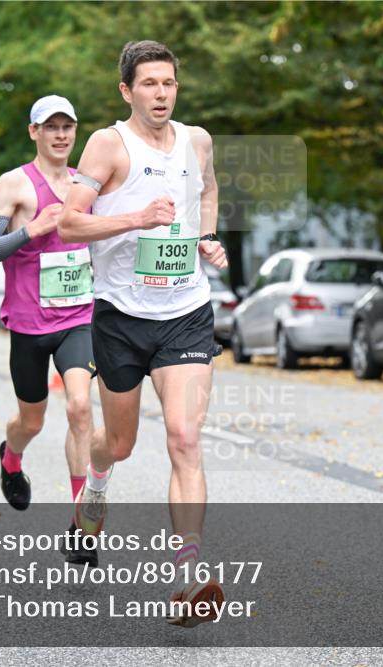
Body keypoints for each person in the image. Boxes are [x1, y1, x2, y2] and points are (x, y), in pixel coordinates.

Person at [58, 40, 228, 627]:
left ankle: (187, 575)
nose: (161, 94)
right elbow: (68, 222)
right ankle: (95, 487)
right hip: (122, 317)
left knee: (184, 438)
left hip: (185, 310)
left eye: (170, 83)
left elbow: (204, 189)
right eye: (150, 84)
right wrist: (135, 218)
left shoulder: (196, 140)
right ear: (127, 91)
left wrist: (206, 237)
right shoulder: (108, 144)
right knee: (121, 443)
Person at [0, 94, 101, 566]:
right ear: (35, 133)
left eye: (68, 126)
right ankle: (11, 456)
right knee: (32, 421)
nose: (61, 135)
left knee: (82, 407)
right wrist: (34, 229)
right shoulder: (14, 185)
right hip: (28, 325)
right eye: (51, 127)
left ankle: (82, 524)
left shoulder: (89, 186)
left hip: (78, 319)